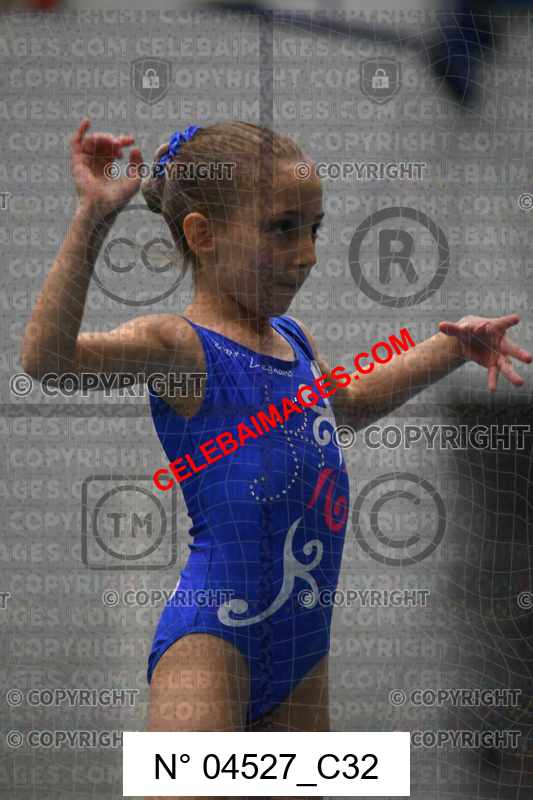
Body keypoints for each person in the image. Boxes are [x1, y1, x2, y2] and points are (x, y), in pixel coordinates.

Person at [21, 118, 532, 799]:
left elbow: (349, 404)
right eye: (283, 230)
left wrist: (451, 348)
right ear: (203, 234)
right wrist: (93, 216)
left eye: (314, 229)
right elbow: (48, 361)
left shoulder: (293, 340)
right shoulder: (180, 347)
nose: (308, 254)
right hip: (212, 645)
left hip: (302, 651)